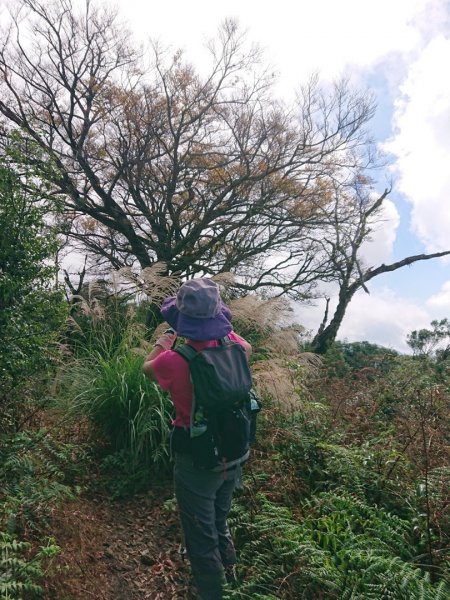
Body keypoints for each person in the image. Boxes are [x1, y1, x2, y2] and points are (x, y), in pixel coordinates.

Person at [143, 278, 252, 600]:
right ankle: (232, 580)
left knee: (199, 534)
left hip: (197, 459)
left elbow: (146, 368)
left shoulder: (173, 361)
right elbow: (245, 344)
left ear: (182, 321)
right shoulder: (239, 350)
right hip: (233, 454)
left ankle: (213, 593)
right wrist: (220, 330)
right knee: (220, 520)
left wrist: (166, 338)